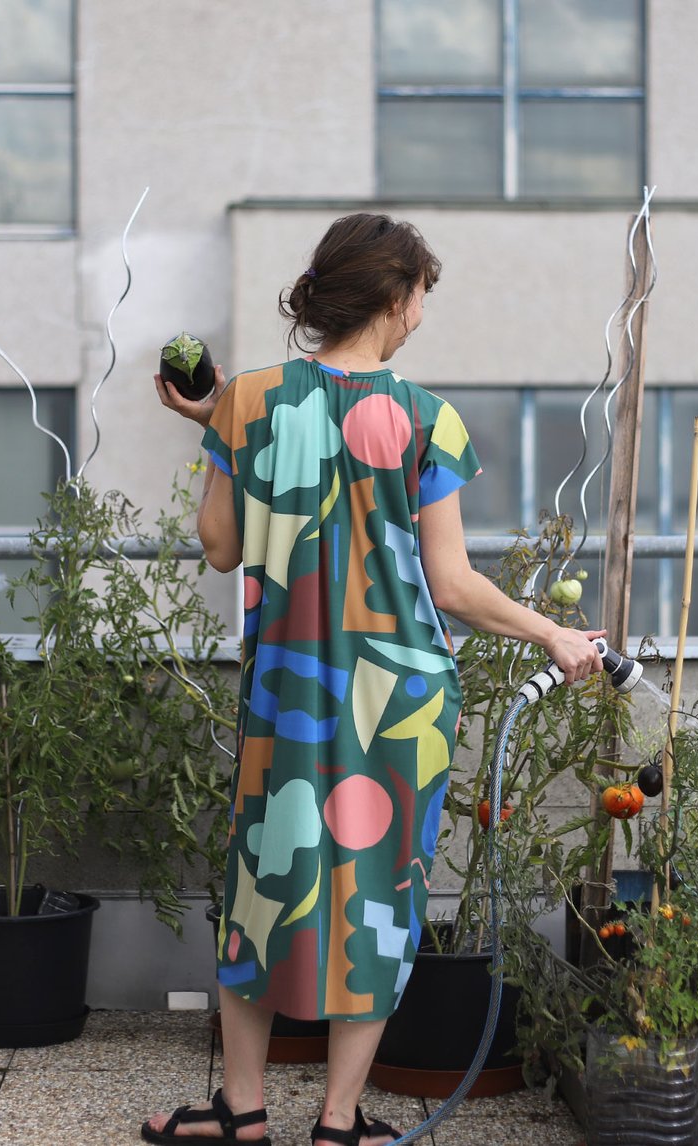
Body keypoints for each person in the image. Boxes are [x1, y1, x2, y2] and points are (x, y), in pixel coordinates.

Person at [143, 213, 604, 1146]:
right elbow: (454, 586)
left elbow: (223, 549)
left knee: (261, 883)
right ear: (395, 298)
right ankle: (338, 1121)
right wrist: (554, 632)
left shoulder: (247, 401)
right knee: (380, 894)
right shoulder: (428, 420)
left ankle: (242, 1111)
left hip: (290, 693)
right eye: (423, 292)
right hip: (401, 700)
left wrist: (218, 434)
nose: (424, 311)